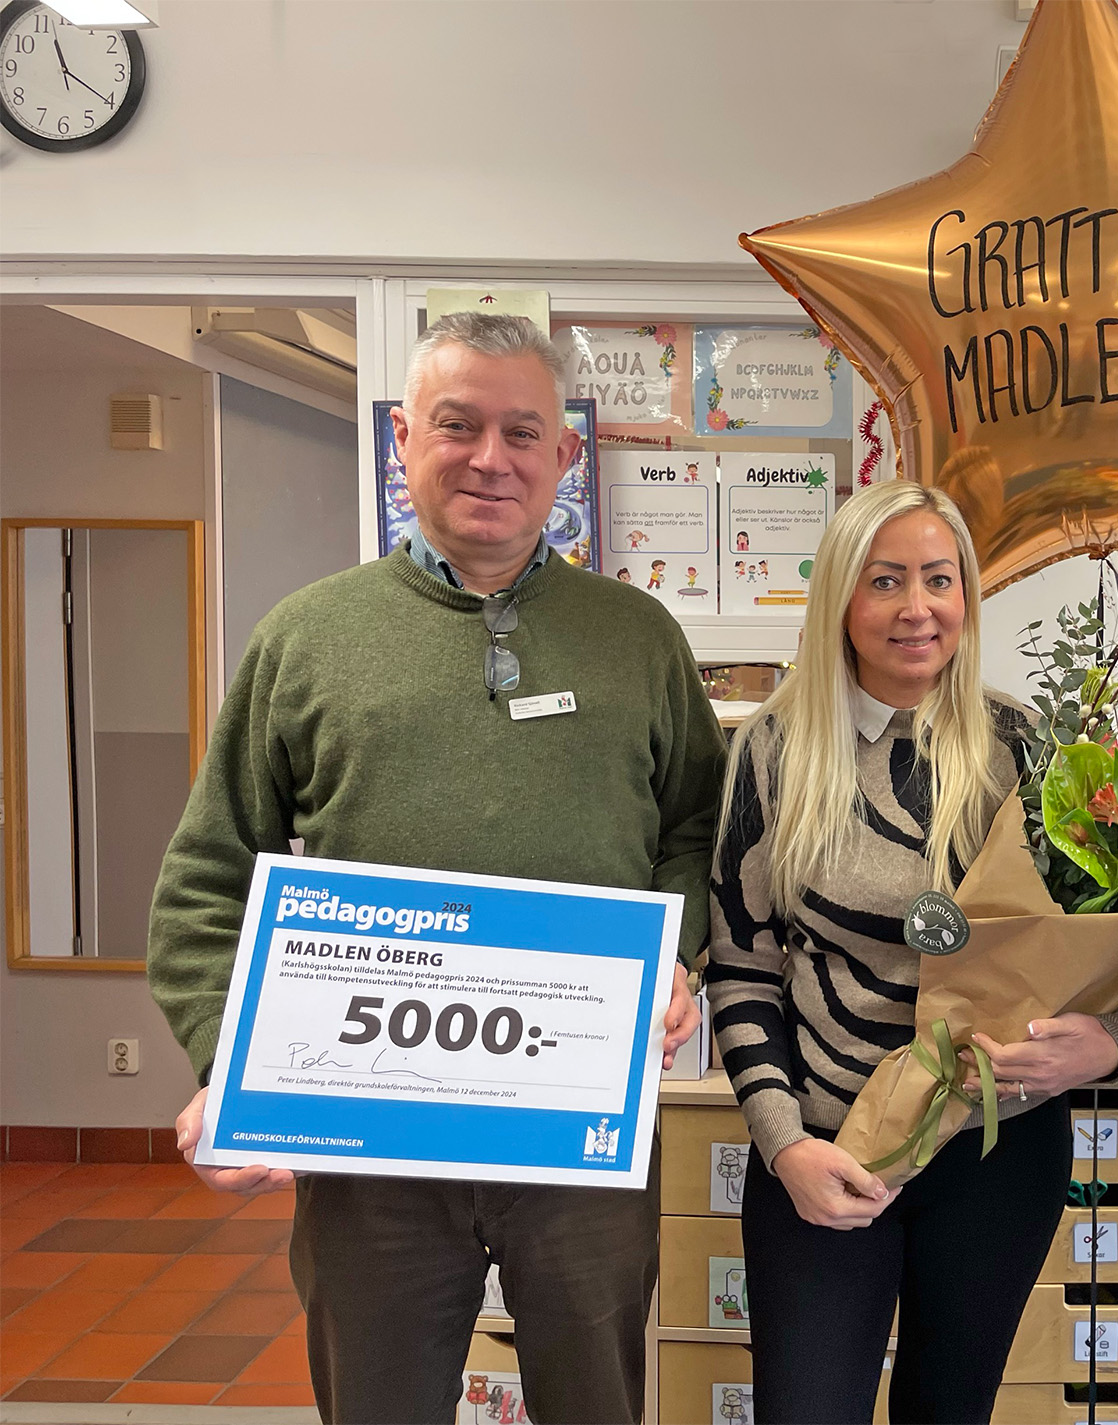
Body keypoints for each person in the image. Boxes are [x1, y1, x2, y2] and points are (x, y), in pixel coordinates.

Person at [147, 312, 725, 1425]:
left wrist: (679, 951)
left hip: (579, 1132)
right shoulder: (308, 637)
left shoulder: (638, 637)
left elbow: (696, 831)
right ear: (402, 439)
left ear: (566, 456)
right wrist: (235, 1063)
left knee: (598, 1401)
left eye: (523, 431)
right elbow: (211, 875)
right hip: (371, 1147)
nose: (489, 458)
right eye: (457, 425)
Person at [705, 481, 1118, 1424]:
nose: (916, 608)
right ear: (840, 601)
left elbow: (1098, 961)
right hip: (829, 1151)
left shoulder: (1027, 747)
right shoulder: (775, 750)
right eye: (885, 580)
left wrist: (1105, 1045)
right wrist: (786, 1149)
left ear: (967, 597)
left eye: (938, 579)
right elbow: (742, 968)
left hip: (997, 1147)